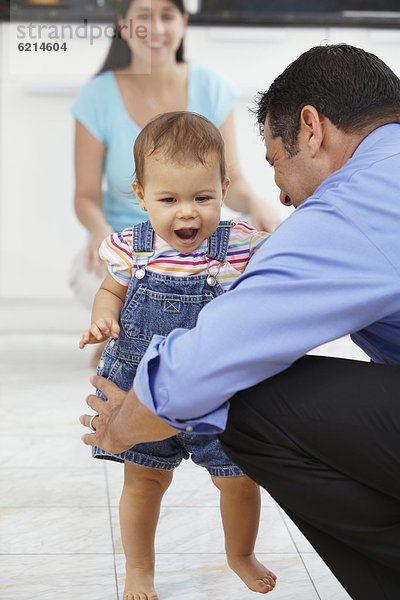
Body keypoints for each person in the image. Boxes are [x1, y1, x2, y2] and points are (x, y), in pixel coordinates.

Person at [80, 43, 400, 599]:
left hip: (154, 396)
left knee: (244, 397)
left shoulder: (356, 201)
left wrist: (124, 423)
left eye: (278, 163)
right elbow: (113, 289)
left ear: (310, 130)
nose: (280, 191)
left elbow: (225, 349)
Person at [79, 112, 276, 600]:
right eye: (169, 199)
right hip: (142, 391)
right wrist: (104, 319)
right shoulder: (132, 250)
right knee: (143, 483)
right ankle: (140, 571)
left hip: (217, 390)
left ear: (224, 188)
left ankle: (240, 554)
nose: (187, 213)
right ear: (141, 194)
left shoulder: (241, 246)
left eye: (202, 198)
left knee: (238, 479)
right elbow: (110, 292)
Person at [70, 0, 280, 344]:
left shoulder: (211, 86)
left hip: (196, 235)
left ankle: (170, 341)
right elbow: (85, 196)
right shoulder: (97, 95)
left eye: (167, 15)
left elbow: (235, 180)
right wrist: (100, 234)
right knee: (105, 278)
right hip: (123, 236)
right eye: (142, 16)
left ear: (183, 22)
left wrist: (258, 204)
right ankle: (126, 335)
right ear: (123, 24)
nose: (156, 27)